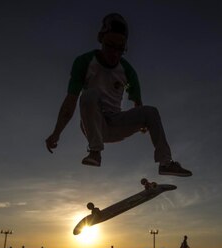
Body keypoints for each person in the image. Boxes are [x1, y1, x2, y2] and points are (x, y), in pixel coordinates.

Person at [45, 13, 192, 177]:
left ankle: (165, 163)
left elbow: (137, 102)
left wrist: (145, 124)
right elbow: (70, 101)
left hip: (117, 123)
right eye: (110, 46)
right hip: (94, 124)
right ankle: (95, 152)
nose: (114, 54)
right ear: (101, 39)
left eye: (120, 49)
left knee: (151, 112)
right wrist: (56, 133)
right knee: (88, 96)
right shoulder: (84, 63)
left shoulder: (127, 72)